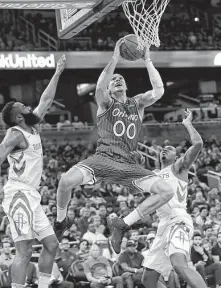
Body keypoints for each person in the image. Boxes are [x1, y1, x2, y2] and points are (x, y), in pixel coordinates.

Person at [54, 39, 173, 247]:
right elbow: (99, 87)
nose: (117, 79)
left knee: (167, 192)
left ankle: (123, 224)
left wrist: (147, 60)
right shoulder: (106, 103)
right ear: (109, 89)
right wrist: (115, 59)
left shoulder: (138, 103)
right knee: (65, 181)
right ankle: (61, 220)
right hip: (103, 158)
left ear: (126, 86)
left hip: (129, 164)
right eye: (114, 80)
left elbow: (160, 90)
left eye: (120, 78)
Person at [0, 55, 66, 288]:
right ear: (18, 117)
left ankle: (44, 286)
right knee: (24, 250)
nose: (28, 106)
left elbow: (46, 99)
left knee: (52, 245)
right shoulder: (15, 133)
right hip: (18, 194)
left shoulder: (34, 126)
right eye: (23, 107)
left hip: (31, 195)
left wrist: (57, 73)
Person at [140, 109, 207, 288]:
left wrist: (188, 124)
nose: (164, 150)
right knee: (147, 279)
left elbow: (198, 144)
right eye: (162, 149)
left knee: (179, 265)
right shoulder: (154, 175)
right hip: (163, 224)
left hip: (178, 219)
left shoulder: (178, 168)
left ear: (176, 157)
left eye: (169, 149)